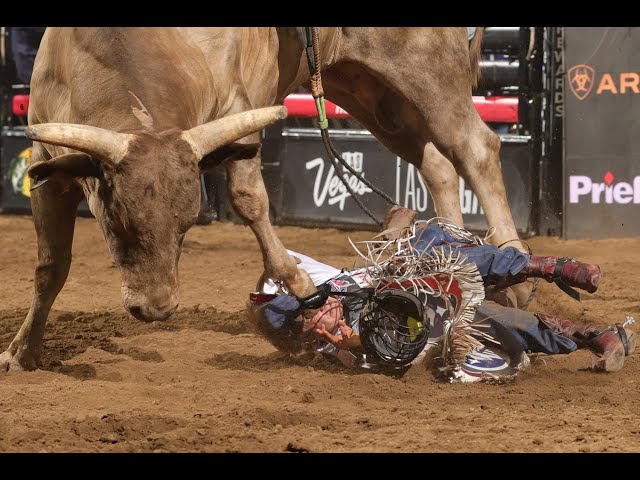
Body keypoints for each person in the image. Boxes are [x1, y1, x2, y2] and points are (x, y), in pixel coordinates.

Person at [249, 207, 636, 383]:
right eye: (309, 316)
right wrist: (357, 341)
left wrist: (397, 227)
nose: (318, 309)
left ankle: (550, 266)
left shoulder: (331, 283)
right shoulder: (334, 351)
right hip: (451, 320)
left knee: (429, 253)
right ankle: (594, 336)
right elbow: (395, 358)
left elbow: (402, 218)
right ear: (307, 333)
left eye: (311, 303)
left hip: (441, 269)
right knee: (497, 322)